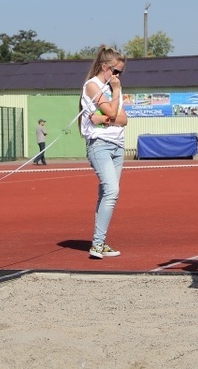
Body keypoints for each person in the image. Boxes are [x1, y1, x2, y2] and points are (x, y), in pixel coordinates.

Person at [80, 46, 128, 259]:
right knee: (112, 191)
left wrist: (104, 119)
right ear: (104, 67)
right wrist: (116, 94)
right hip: (99, 144)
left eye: (121, 72)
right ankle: (97, 245)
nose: (118, 76)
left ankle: (100, 241)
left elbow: (123, 119)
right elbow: (111, 110)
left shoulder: (110, 89)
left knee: (107, 194)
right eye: (116, 71)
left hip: (117, 145)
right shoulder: (93, 85)